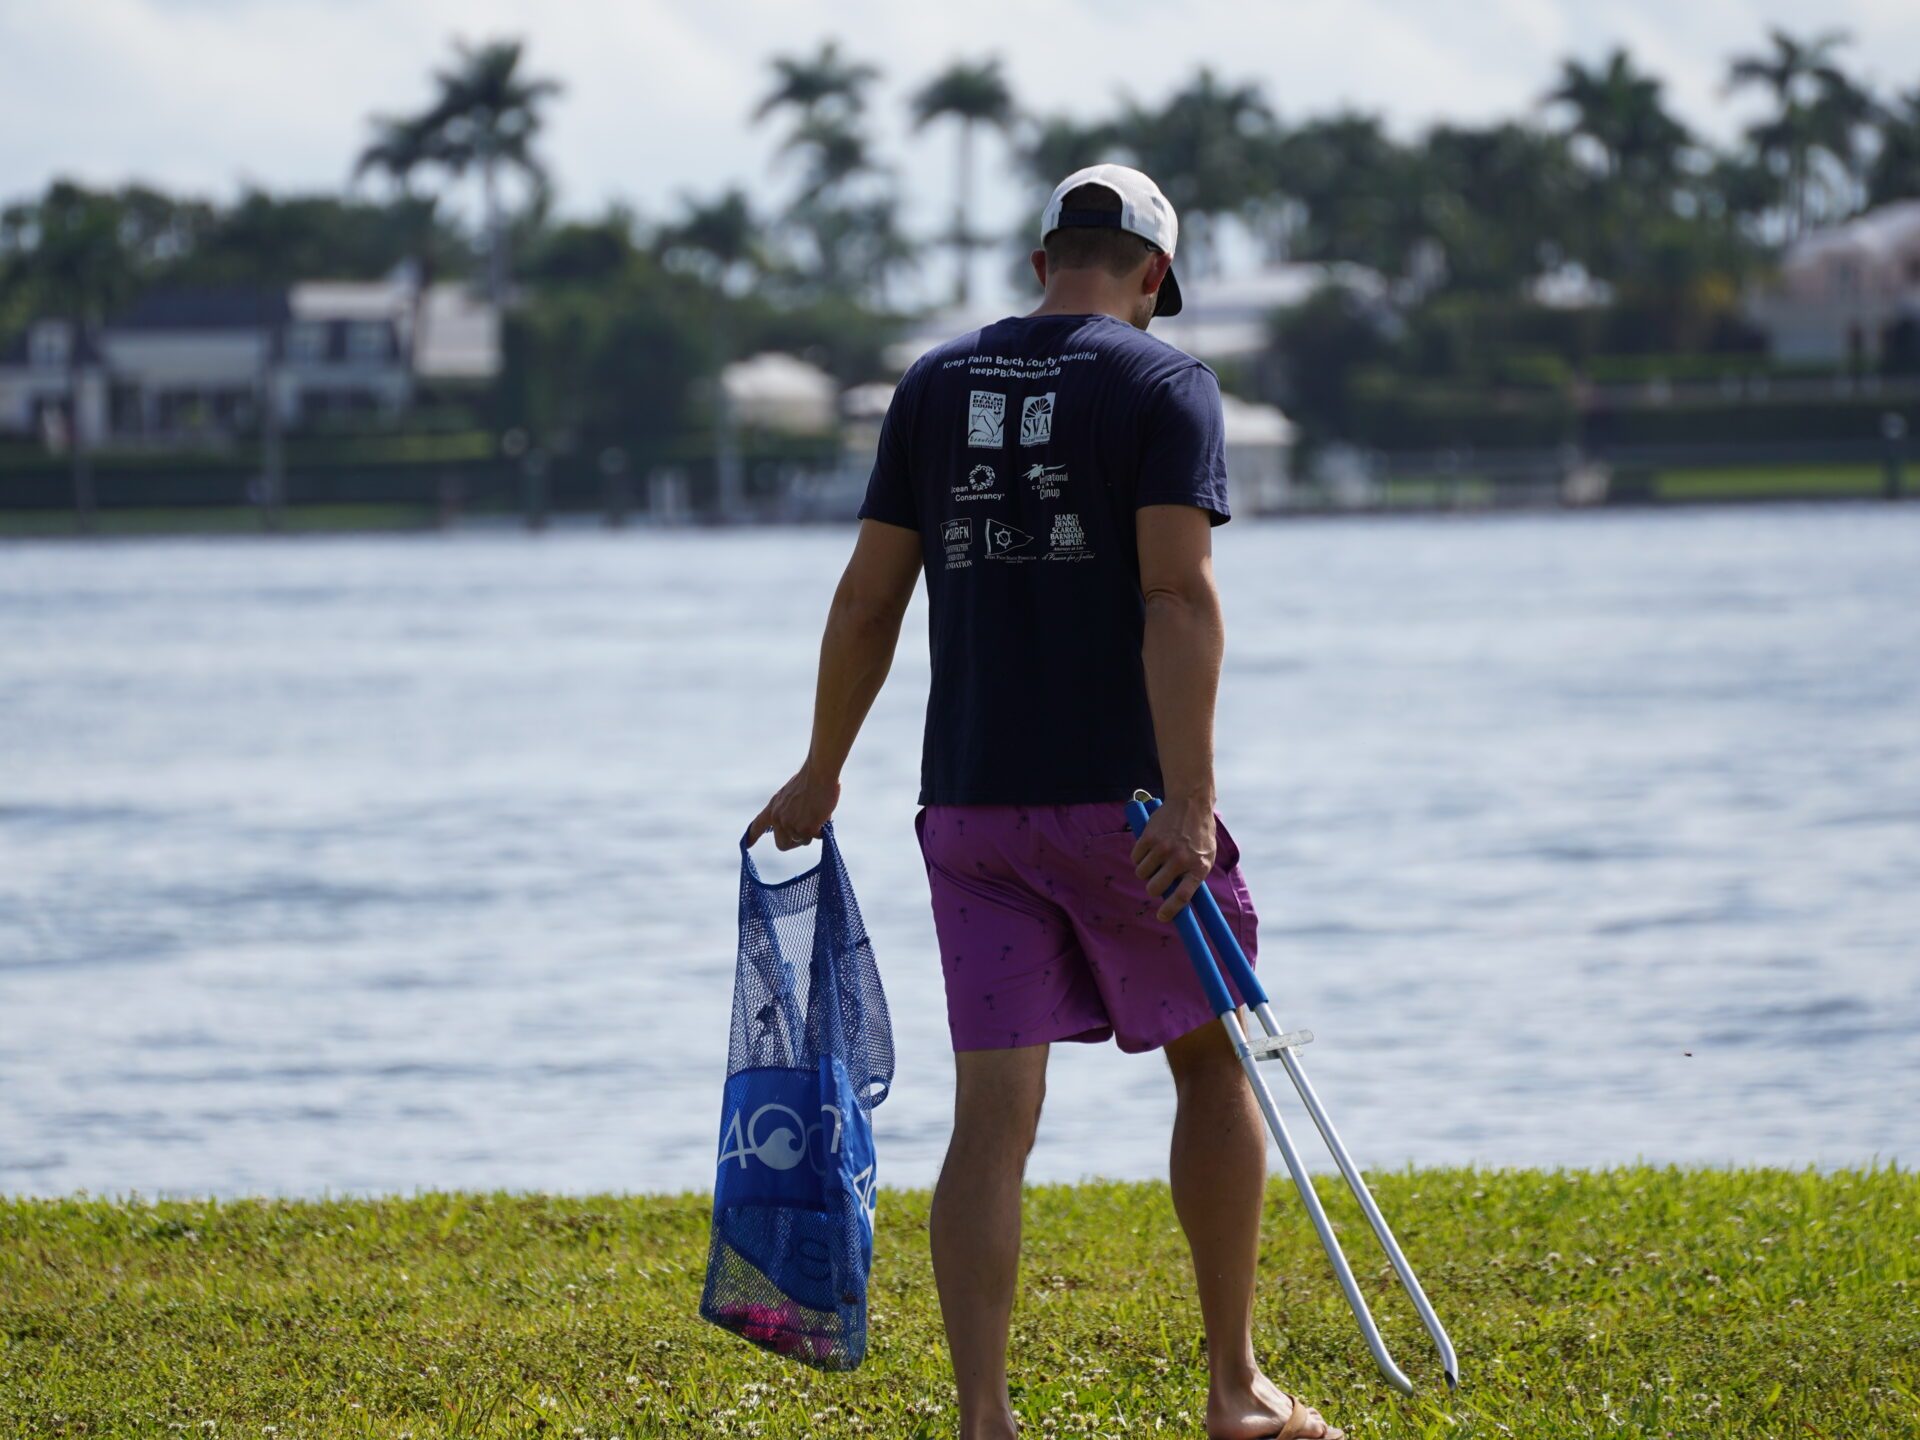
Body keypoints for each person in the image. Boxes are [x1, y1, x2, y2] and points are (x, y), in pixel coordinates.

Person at [748, 164, 1344, 1440]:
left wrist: (820, 768)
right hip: (1124, 812)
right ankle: (1235, 1390)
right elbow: (1176, 595)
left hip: (969, 811)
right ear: (1154, 277)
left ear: (1040, 263)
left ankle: (985, 1418)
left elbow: (867, 598)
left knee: (992, 1121)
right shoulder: (1166, 384)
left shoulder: (931, 384)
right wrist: (1191, 800)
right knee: (1211, 1064)